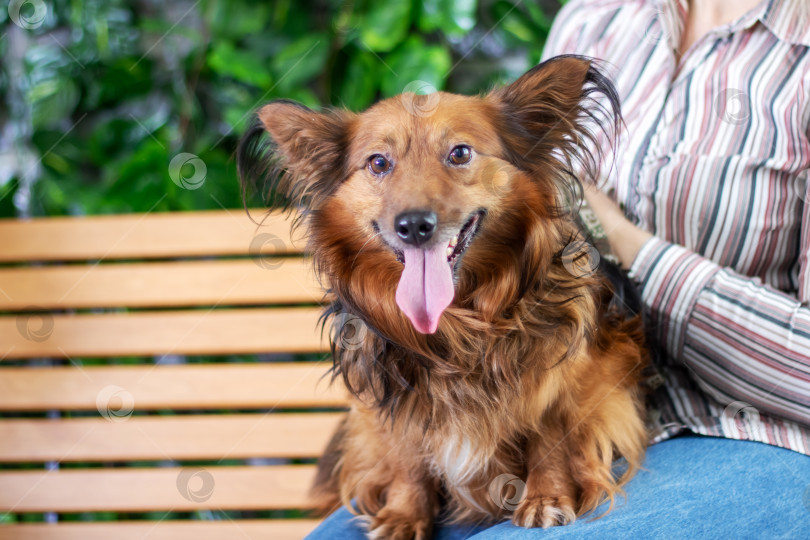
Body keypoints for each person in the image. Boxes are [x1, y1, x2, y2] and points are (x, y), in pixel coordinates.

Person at [306, 1, 810, 537]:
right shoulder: (596, 14)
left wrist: (633, 248)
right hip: (503, 418)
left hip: (739, 426)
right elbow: (536, 186)